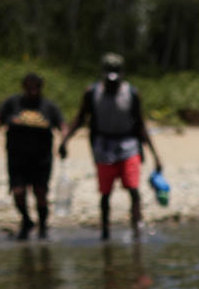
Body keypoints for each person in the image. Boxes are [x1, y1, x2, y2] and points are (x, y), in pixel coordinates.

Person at [59, 53, 163, 241]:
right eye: (109, 78)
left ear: (122, 74)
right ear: (103, 74)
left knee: (133, 189)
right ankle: (105, 233)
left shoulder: (132, 93)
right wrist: (65, 140)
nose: (112, 82)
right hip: (103, 147)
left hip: (129, 145)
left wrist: (155, 155)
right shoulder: (92, 93)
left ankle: (137, 230)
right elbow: (80, 118)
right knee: (105, 193)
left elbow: (140, 125)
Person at [0, 71, 64, 240]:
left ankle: (43, 226)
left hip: (41, 159)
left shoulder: (48, 107)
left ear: (41, 87)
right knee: (18, 192)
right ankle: (26, 220)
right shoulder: (13, 103)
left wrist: (64, 142)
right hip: (17, 158)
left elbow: (62, 125)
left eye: (36, 87)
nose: (33, 90)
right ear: (24, 87)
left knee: (40, 193)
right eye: (29, 87)